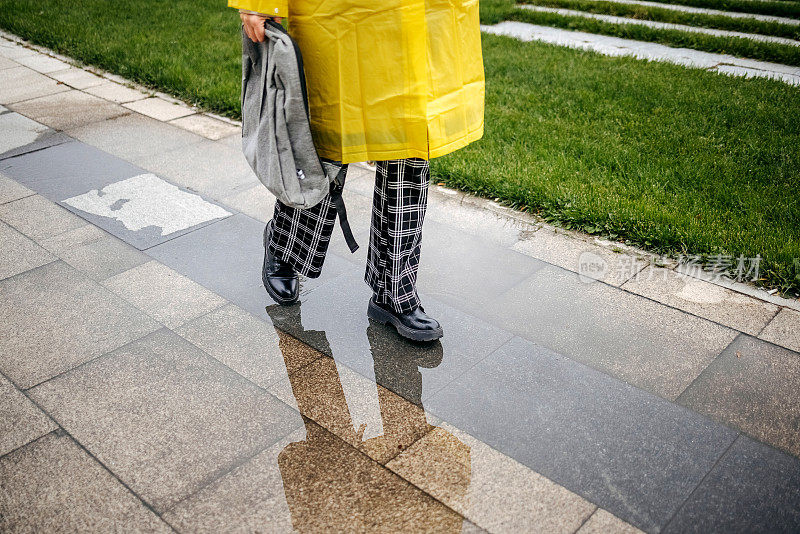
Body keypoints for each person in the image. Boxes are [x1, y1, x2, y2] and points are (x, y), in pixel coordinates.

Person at [231, 0, 485, 341]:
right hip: (338, 13)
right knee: (324, 138)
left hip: (418, 15)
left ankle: (395, 289)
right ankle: (286, 243)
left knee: (409, 145)